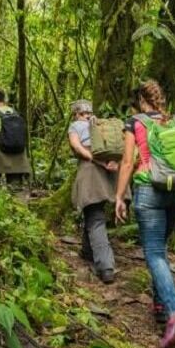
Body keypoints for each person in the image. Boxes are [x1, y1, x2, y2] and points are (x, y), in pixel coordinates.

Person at [114, 80, 175, 348]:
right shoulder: (174, 121)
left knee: (154, 253)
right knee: (161, 248)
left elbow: (127, 161)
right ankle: (161, 305)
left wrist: (119, 196)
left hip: (150, 189)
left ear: (141, 99)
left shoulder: (135, 122)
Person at [68, 100, 120, 284]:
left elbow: (76, 146)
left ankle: (106, 267)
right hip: (110, 175)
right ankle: (87, 251)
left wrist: (91, 157)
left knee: (95, 217)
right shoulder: (100, 125)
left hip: (91, 173)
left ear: (76, 114)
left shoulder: (75, 125)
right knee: (94, 212)